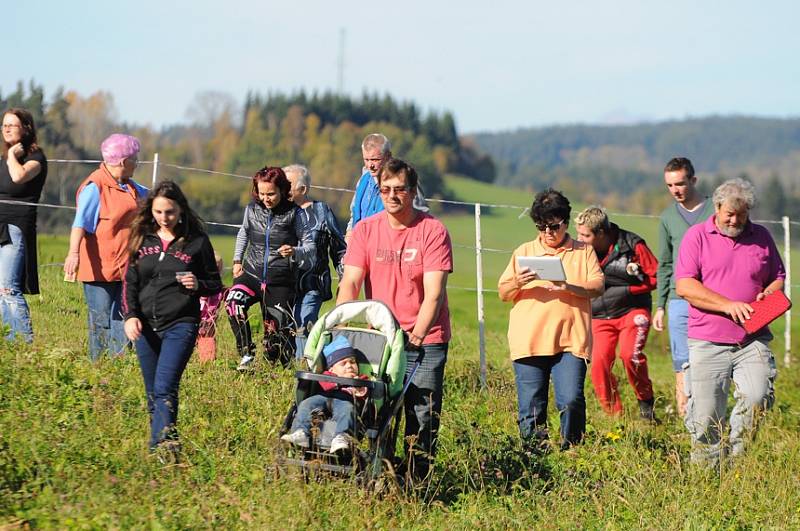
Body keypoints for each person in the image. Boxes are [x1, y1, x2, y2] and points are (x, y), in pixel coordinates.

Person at [337, 157, 452, 481]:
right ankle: (380, 475)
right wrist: (341, 323)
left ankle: (418, 481)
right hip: (381, 334)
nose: (392, 195)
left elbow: (434, 294)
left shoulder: (432, 231)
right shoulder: (366, 230)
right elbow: (350, 282)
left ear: (412, 191)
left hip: (425, 338)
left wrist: (416, 335)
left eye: (400, 189)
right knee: (378, 410)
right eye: (385, 189)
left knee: (422, 413)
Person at [675, 178, 785, 466]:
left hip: (753, 339)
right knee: (706, 413)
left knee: (758, 395)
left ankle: (736, 465)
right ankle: (706, 476)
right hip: (708, 340)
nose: (735, 221)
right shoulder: (697, 236)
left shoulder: (761, 236)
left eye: (742, 214)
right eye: (730, 214)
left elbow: (778, 277)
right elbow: (685, 286)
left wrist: (770, 292)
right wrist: (727, 305)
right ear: (718, 207)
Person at [498, 189, 604, 451]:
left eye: (553, 226)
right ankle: (535, 459)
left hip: (571, 342)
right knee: (531, 407)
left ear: (566, 222)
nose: (547, 232)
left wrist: (568, 285)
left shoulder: (583, 252)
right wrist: (517, 281)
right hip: (529, 340)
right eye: (541, 226)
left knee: (571, 400)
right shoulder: (524, 251)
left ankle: (574, 452)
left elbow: (598, 286)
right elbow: (503, 292)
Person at [122, 181, 221, 459]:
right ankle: (167, 446)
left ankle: (160, 448)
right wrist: (130, 316)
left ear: (181, 210)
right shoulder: (141, 237)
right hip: (144, 326)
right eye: (158, 212)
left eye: (170, 212)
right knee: (153, 392)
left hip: (181, 324)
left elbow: (215, 283)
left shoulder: (197, 241)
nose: (164, 218)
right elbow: (129, 282)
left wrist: (197, 283)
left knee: (166, 387)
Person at [63, 133, 147, 361]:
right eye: (135, 159)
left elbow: (153, 198)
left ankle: (119, 363)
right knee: (100, 318)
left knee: (123, 315)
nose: (137, 163)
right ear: (122, 162)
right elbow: (80, 223)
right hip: (100, 265)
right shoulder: (95, 186)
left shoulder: (131, 187)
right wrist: (73, 254)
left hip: (125, 265)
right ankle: (97, 365)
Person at [227, 166, 315, 371]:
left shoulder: (295, 214)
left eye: (271, 194)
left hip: (280, 280)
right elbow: (243, 233)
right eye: (261, 193)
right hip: (251, 274)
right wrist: (237, 260)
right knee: (233, 303)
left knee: (274, 343)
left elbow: (310, 246)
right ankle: (246, 354)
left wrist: (294, 250)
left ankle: (278, 368)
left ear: (283, 190)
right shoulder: (251, 210)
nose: (266, 198)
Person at [574, 206, 658, 421]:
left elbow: (656, 277)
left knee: (630, 356)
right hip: (600, 315)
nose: (579, 239)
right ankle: (615, 418)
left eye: (585, 235)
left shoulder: (633, 245)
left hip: (633, 310)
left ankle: (646, 405)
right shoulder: (578, 251)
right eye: (578, 234)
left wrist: (627, 290)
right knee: (599, 365)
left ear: (601, 233)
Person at [653, 157, 715, 416]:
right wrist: (660, 306)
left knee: (714, 359)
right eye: (669, 185)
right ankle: (685, 418)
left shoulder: (716, 209)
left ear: (693, 180)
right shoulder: (668, 217)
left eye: (680, 183)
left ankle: (714, 415)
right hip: (679, 300)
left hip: (714, 296)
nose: (675, 190)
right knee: (681, 362)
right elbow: (665, 263)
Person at [283, 164, 347, 357]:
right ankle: (284, 368)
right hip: (283, 282)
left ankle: (304, 368)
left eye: (288, 185)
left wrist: (344, 278)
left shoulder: (322, 211)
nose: (283, 189)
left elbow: (339, 247)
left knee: (304, 322)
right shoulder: (279, 213)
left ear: (303, 189)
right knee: (283, 325)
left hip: (313, 282)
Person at [0, 108, 47, 342]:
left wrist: (11, 157)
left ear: (26, 128)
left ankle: (25, 343)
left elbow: (18, 177)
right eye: (4, 125)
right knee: (1, 290)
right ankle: (11, 341)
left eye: (12, 125)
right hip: (0, 225)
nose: (6, 129)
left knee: (9, 288)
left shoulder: (35, 159)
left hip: (16, 227)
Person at [281, 335, 370, 454]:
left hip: (345, 401)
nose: (349, 366)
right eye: (343, 363)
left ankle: (341, 437)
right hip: (322, 398)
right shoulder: (327, 375)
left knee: (348, 410)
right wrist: (340, 381)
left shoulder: (360, 379)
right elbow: (324, 385)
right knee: (306, 404)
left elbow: (364, 393)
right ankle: (301, 432)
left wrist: (357, 384)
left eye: (353, 362)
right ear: (332, 369)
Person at [345, 133, 427, 242]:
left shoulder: (405, 179)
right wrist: (349, 238)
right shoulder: (363, 180)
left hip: (390, 248)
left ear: (388, 156)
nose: (370, 165)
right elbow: (354, 214)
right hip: (361, 247)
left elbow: (420, 216)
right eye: (366, 159)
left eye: (375, 160)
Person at [196, 252, 225, 363]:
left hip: (209, 325)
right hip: (194, 320)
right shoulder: (198, 284)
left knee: (207, 355)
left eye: (217, 267)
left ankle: (206, 367)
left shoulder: (219, 288)